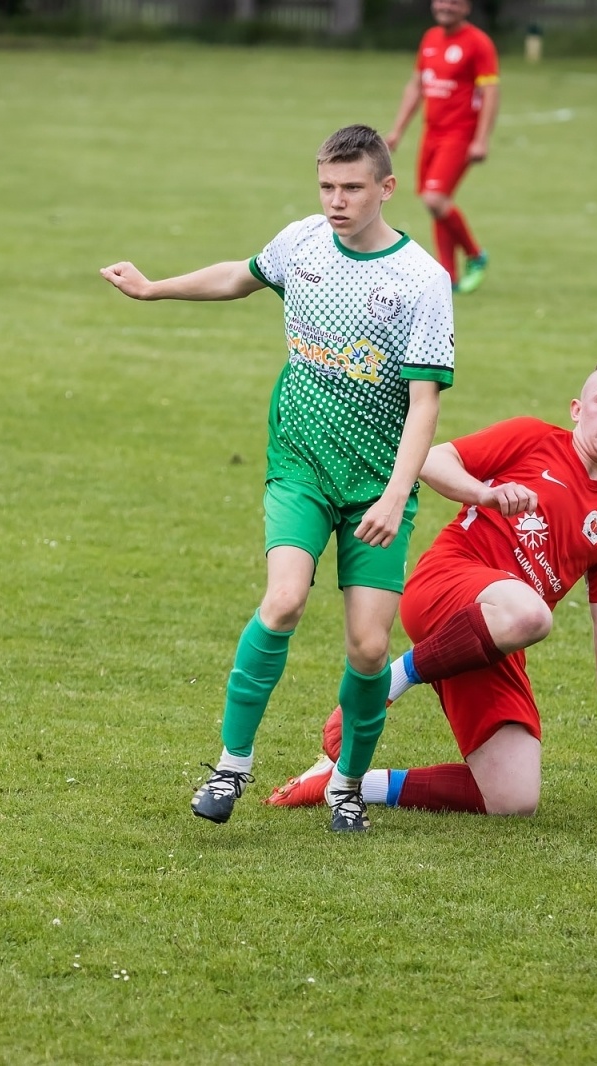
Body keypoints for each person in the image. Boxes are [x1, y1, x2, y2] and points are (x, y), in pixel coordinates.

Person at [99, 125, 455, 832]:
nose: (336, 201)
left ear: (386, 188)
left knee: (369, 647)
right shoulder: (303, 243)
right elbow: (241, 275)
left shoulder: (422, 280)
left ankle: (346, 785)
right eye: (327, 186)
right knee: (284, 600)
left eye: (352, 188)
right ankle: (231, 766)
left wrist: (394, 495)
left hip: (376, 484)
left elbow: (425, 405)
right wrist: (153, 289)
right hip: (300, 465)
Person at [267, 361, 597, 816]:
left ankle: (346, 783)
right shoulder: (533, 438)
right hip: (446, 583)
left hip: (491, 639)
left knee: (513, 798)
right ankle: (384, 686)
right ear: (577, 409)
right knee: (532, 614)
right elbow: (432, 460)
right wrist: (483, 494)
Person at [384, 0, 499, 296]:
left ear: (467, 7)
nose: (446, 6)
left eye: (454, 2)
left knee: (435, 199)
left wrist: (481, 139)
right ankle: (449, 276)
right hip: (431, 134)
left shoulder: (478, 43)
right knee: (436, 203)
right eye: (442, 1)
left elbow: (490, 92)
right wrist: (397, 130)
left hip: (459, 135)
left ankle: (475, 255)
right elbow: (417, 85)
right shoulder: (430, 38)